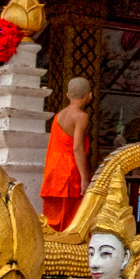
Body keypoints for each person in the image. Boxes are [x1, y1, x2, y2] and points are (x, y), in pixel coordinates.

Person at [42, 77, 93, 230]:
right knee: (70, 225)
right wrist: (84, 179)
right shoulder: (81, 117)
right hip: (69, 176)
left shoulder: (58, 116)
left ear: (67, 95)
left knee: (51, 223)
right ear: (89, 96)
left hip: (53, 174)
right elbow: (77, 147)